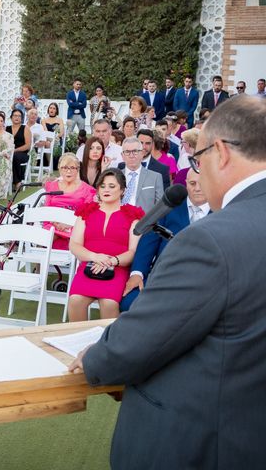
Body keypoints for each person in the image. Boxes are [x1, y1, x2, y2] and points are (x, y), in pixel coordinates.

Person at [69, 94, 266, 470]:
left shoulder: (210, 239)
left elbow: (138, 342)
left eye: (198, 159)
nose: (197, 171)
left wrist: (97, 356)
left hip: (202, 441)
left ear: (221, 153)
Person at [120, 168, 209, 312]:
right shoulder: (170, 207)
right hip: (165, 274)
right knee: (130, 302)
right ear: (185, 184)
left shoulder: (221, 211)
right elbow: (148, 242)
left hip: (202, 280)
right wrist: (137, 273)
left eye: (202, 184)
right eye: (192, 183)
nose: (197, 188)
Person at [66, 168, 143, 321]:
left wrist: (111, 261)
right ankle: (77, 342)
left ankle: (108, 344)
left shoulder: (132, 215)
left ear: (122, 190)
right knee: (75, 301)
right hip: (89, 266)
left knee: (109, 303)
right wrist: (95, 257)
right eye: (103, 186)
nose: (106, 190)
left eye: (112, 186)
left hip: (117, 269)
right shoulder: (86, 212)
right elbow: (74, 245)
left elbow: (133, 251)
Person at [43, 153, 96, 250]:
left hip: (74, 226)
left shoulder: (88, 190)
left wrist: (68, 224)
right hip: (53, 225)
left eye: (72, 168)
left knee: (49, 238)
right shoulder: (51, 186)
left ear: (78, 169)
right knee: (47, 236)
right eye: (64, 167)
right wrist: (55, 223)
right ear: (59, 168)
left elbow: (87, 215)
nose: (68, 171)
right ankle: (41, 263)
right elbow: (46, 210)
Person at [119, 137, 163, 213]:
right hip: (119, 222)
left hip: (144, 222)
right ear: (122, 155)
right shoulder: (115, 177)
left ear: (142, 153)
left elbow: (160, 207)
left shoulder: (155, 177)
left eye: (135, 151)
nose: (131, 155)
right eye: (127, 152)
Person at [6, 109, 32, 189]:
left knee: (15, 156)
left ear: (21, 118)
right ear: (11, 117)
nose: (17, 117)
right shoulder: (7, 128)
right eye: (15, 116)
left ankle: (17, 182)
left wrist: (15, 150)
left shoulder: (25, 128)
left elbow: (28, 145)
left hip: (22, 153)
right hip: (9, 152)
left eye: (19, 116)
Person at [0, 113, 15, 200]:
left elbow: (10, 148)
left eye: (1, 121)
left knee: (2, 164)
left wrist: (2, 153)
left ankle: (0, 193)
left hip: (3, 158)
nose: (0, 123)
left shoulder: (8, 135)